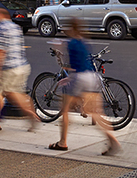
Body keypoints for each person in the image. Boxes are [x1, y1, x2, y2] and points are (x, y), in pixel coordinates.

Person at [48, 18, 119, 155]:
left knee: (65, 110)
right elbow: (82, 62)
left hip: (78, 78)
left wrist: (68, 77)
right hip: (90, 77)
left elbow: (69, 65)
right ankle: (112, 139)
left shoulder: (71, 43)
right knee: (95, 112)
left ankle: (62, 142)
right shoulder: (84, 41)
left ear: (72, 29)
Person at [0, 6, 39, 132]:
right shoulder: (15, 27)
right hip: (22, 65)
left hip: (8, 68)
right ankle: (31, 113)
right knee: (14, 94)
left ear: (1, 15)